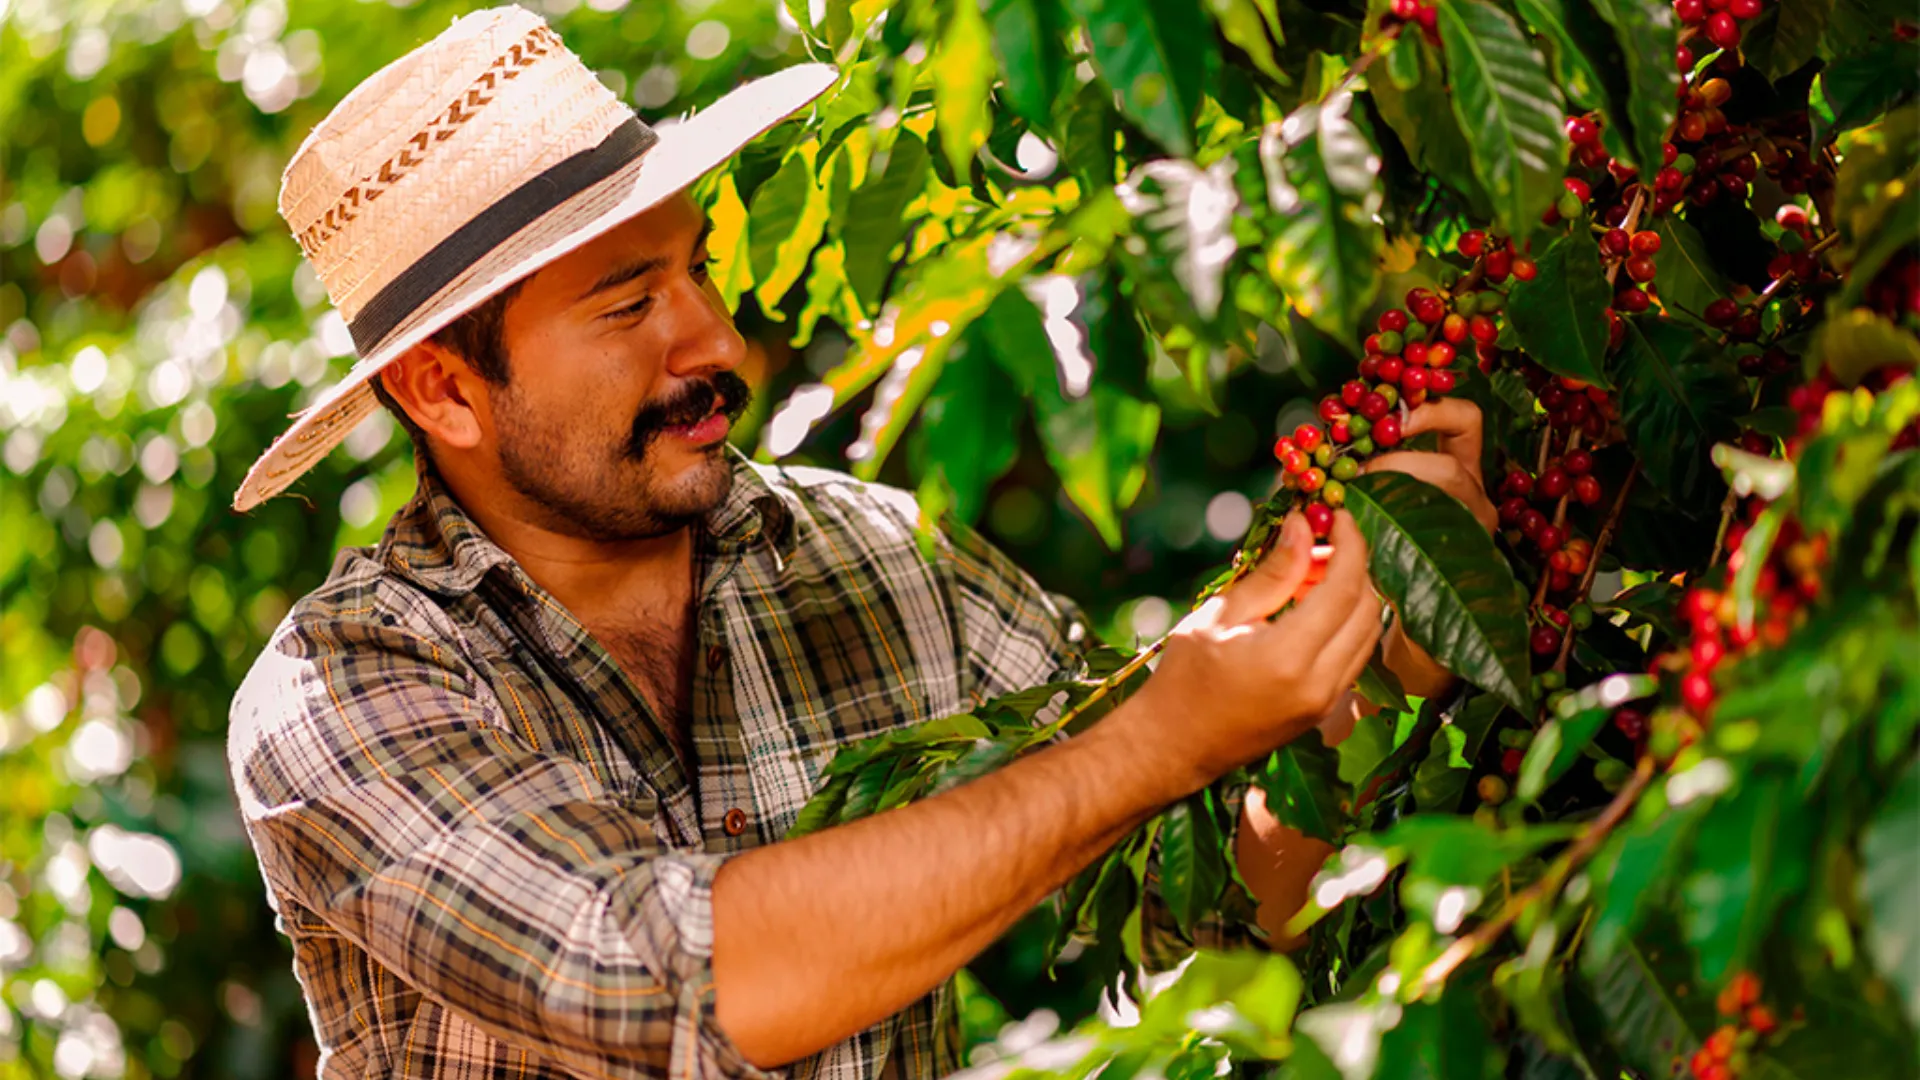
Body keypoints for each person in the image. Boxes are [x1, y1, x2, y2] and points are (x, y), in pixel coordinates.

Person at [226, 7, 1497, 1079]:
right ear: (444, 393)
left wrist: (1374, 669)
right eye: (627, 308)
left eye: (697, 276)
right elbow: (671, 979)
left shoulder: (875, 554)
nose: (717, 345)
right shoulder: (343, 694)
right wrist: (1163, 733)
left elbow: (1199, 906)